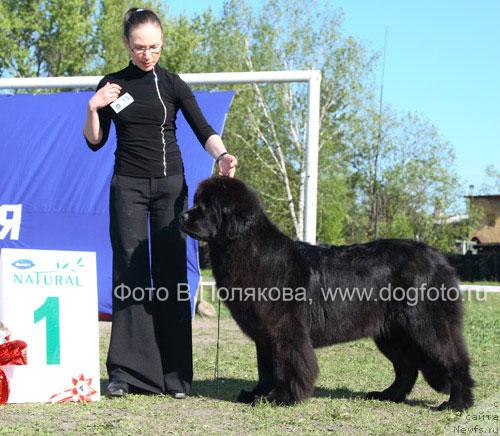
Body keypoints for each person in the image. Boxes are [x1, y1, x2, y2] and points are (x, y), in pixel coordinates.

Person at [83, 7, 237, 398]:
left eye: (154, 47)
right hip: (128, 188)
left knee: (170, 275)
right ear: (126, 45)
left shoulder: (171, 83)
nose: (146, 54)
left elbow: (203, 127)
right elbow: (94, 141)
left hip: (170, 188)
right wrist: (93, 106)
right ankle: (127, 373)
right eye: (139, 48)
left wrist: (222, 156)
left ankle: (174, 376)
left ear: (161, 44)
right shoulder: (113, 84)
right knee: (129, 276)